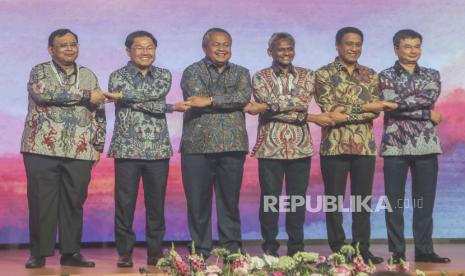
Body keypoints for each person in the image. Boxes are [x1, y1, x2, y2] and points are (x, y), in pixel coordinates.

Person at [103, 31, 190, 267]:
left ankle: (155, 252)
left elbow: (153, 95)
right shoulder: (117, 75)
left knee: (156, 204)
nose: (145, 52)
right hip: (126, 149)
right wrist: (170, 107)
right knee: (125, 204)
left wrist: (122, 96)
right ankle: (125, 253)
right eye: (139, 47)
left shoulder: (163, 75)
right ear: (128, 51)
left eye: (150, 47)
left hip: (157, 150)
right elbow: (150, 101)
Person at [21, 28, 106, 268]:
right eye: (63, 45)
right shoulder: (40, 71)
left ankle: (71, 252)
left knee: (74, 201)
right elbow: (43, 94)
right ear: (51, 49)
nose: (70, 48)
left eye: (73, 44)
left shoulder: (88, 74)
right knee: (41, 201)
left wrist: (98, 143)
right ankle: (39, 253)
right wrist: (87, 95)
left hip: (80, 149)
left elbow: (100, 110)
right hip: (41, 148)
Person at [245, 32, 334, 257]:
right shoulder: (259, 77)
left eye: (289, 49)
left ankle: (296, 247)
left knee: (297, 200)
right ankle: (270, 247)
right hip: (270, 148)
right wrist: (298, 111)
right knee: (270, 200)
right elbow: (292, 106)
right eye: (280, 49)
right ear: (270, 52)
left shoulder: (308, 76)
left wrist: (270, 107)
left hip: (300, 147)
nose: (286, 53)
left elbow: (300, 103)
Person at [315, 26, 387, 264]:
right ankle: (338, 249)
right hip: (334, 146)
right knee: (334, 202)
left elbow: (375, 110)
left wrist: (350, 110)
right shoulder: (323, 74)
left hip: (364, 147)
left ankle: (361, 249)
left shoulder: (370, 74)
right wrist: (362, 108)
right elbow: (330, 109)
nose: (354, 48)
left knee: (362, 202)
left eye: (358, 44)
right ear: (338, 45)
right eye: (349, 43)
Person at [379, 29, 450, 264]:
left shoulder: (431, 74)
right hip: (395, 146)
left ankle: (424, 249)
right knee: (395, 201)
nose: (413, 51)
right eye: (408, 46)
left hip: (426, 146)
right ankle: (397, 252)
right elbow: (390, 107)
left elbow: (422, 99)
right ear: (396, 48)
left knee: (425, 200)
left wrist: (400, 104)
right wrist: (427, 114)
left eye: (417, 46)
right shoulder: (385, 75)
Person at [180, 27, 251, 258]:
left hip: (232, 146)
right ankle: (201, 248)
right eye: (216, 44)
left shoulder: (241, 72)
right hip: (197, 146)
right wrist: (226, 102)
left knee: (229, 201)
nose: (222, 49)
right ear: (205, 47)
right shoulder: (192, 71)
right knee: (198, 203)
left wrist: (210, 100)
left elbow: (242, 97)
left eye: (226, 44)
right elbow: (195, 98)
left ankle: (232, 248)